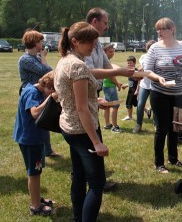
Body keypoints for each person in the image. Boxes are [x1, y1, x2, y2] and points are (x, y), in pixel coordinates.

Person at [55, 22, 110, 222]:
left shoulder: (65, 59)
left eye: (95, 42)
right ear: (75, 42)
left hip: (70, 127)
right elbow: (80, 108)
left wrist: (96, 102)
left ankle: (78, 217)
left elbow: (74, 97)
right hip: (82, 131)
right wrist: (96, 142)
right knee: (97, 183)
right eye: (89, 42)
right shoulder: (77, 66)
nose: (93, 47)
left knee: (79, 175)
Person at [84, 7, 134, 192]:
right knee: (89, 137)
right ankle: (91, 180)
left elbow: (106, 64)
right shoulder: (84, 41)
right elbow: (87, 70)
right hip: (84, 95)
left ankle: (97, 179)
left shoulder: (96, 43)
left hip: (93, 94)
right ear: (95, 21)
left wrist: (129, 73)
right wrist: (118, 72)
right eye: (105, 22)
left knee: (95, 134)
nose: (107, 26)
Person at [144, 17, 182, 174]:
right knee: (162, 128)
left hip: (178, 92)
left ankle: (173, 158)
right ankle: (159, 163)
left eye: (162, 29)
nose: (159, 32)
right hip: (159, 93)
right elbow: (147, 70)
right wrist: (158, 78)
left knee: (174, 128)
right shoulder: (155, 48)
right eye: (158, 29)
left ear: (172, 30)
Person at [13, 71, 56, 216]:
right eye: (53, 89)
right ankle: (35, 206)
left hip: (34, 138)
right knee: (34, 173)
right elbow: (35, 113)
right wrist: (50, 98)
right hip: (29, 139)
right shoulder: (32, 92)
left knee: (36, 171)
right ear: (48, 86)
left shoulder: (36, 91)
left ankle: (36, 198)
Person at [18, 29, 59, 157]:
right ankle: (39, 148)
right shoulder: (25, 59)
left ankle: (47, 149)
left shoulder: (35, 57)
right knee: (35, 121)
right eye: (41, 41)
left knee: (44, 120)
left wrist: (42, 57)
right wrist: (44, 57)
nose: (43, 43)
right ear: (35, 42)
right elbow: (44, 71)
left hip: (40, 92)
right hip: (30, 93)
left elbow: (50, 72)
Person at [132, 40, 156, 133]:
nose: (151, 51)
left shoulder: (159, 57)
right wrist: (137, 73)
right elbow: (142, 68)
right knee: (140, 104)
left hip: (155, 86)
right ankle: (138, 124)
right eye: (149, 49)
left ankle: (156, 124)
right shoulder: (143, 57)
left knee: (155, 106)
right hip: (144, 85)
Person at [101, 43, 122, 133]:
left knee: (107, 105)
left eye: (113, 52)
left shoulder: (105, 61)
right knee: (115, 105)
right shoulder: (106, 62)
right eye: (110, 52)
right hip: (109, 87)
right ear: (104, 52)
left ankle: (107, 124)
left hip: (107, 86)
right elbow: (110, 76)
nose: (112, 53)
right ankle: (114, 126)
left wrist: (117, 83)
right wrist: (117, 84)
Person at [121, 55, 139, 122]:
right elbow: (131, 82)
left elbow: (138, 82)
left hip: (133, 90)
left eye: (130, 63)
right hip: (131, 89)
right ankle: (146, 110)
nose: (129, 64)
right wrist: (126, 85)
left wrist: (137, 90)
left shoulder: (136, 71)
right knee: (135, 103)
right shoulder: (130, 71)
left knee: (128, 103)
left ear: (134, 63)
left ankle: (129, 116)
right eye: (128, 63)